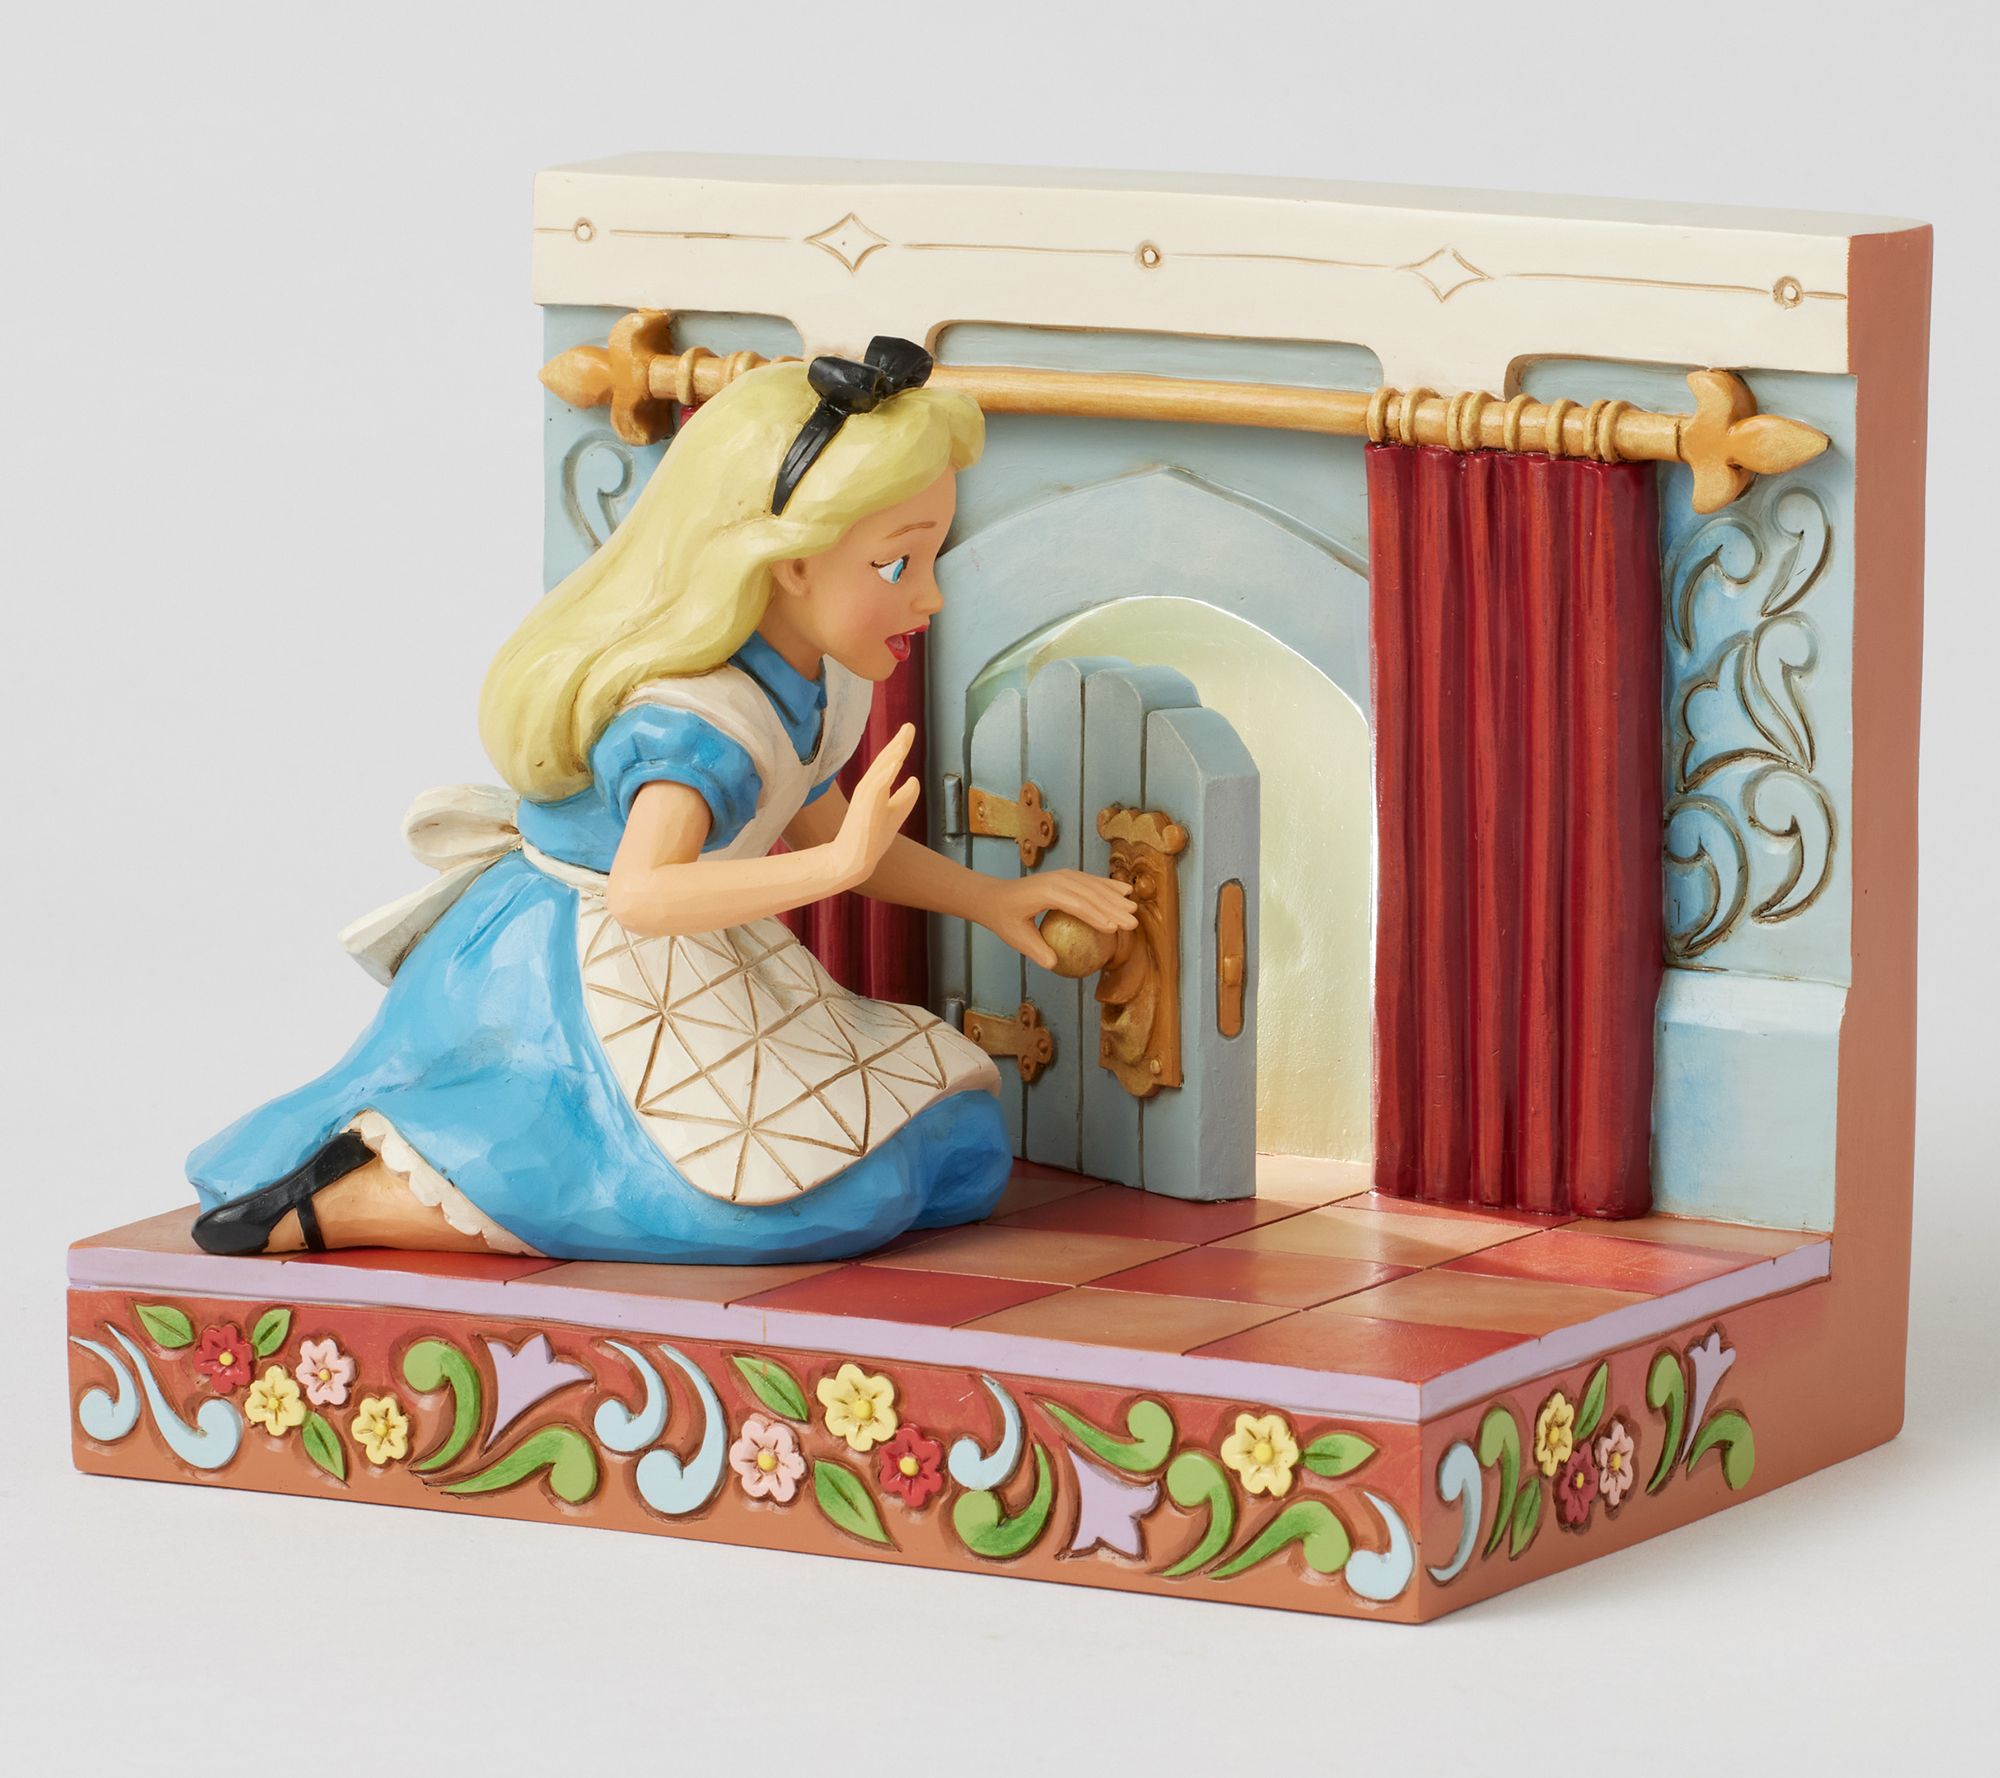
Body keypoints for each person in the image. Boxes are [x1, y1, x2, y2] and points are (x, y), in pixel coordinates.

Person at [187, 339, 1134, 1263]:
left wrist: (991, 897)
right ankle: (364, 1195)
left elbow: (828, 830)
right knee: (799, 1204)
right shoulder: (696, 726)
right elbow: (645, 893)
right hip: (585, 960)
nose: (929, 598)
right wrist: (835, 865)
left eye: (932, 558)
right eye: (896, 566)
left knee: (960, 1148)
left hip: (702, 945)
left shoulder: (819, 678)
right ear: (790, 564)